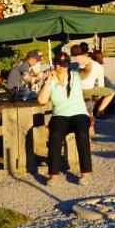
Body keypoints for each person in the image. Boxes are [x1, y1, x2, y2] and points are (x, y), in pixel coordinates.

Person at [37, 50, 92, 185]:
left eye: (65, 62)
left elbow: (88, 70)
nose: (62, 65)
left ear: (68, 64)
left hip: (79, 112)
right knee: (55, 136)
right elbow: (42, 101)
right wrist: (48, 80)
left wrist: (87, 61)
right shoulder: (51, 80)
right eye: (59, 62)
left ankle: (85, 173)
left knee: (82, 134)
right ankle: (53, 175)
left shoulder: (75, 75)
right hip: (60, 114)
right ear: (54, 64)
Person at [73, 45, 115, 121]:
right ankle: (99, 113)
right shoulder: (98, 66)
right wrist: (97, 98)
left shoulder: (73, 64)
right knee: (111, 93)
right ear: (87, 54)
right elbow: (101, 85)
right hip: (88, 89)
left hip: (74, 89)